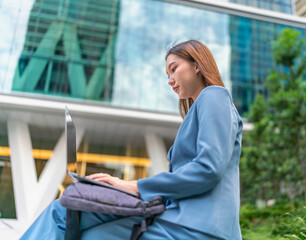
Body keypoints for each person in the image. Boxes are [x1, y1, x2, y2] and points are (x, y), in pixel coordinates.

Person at [20, 40, 243, 240]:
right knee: (76, 221)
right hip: (180, 219)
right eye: (167, 75)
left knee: (66, 215)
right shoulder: (200, 109)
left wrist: (134, 186)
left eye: (174, 69)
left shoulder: (214, 96)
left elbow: (208, 169)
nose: (170, 80)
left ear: (197, 65)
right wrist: (123, 188)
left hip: (198, 226)